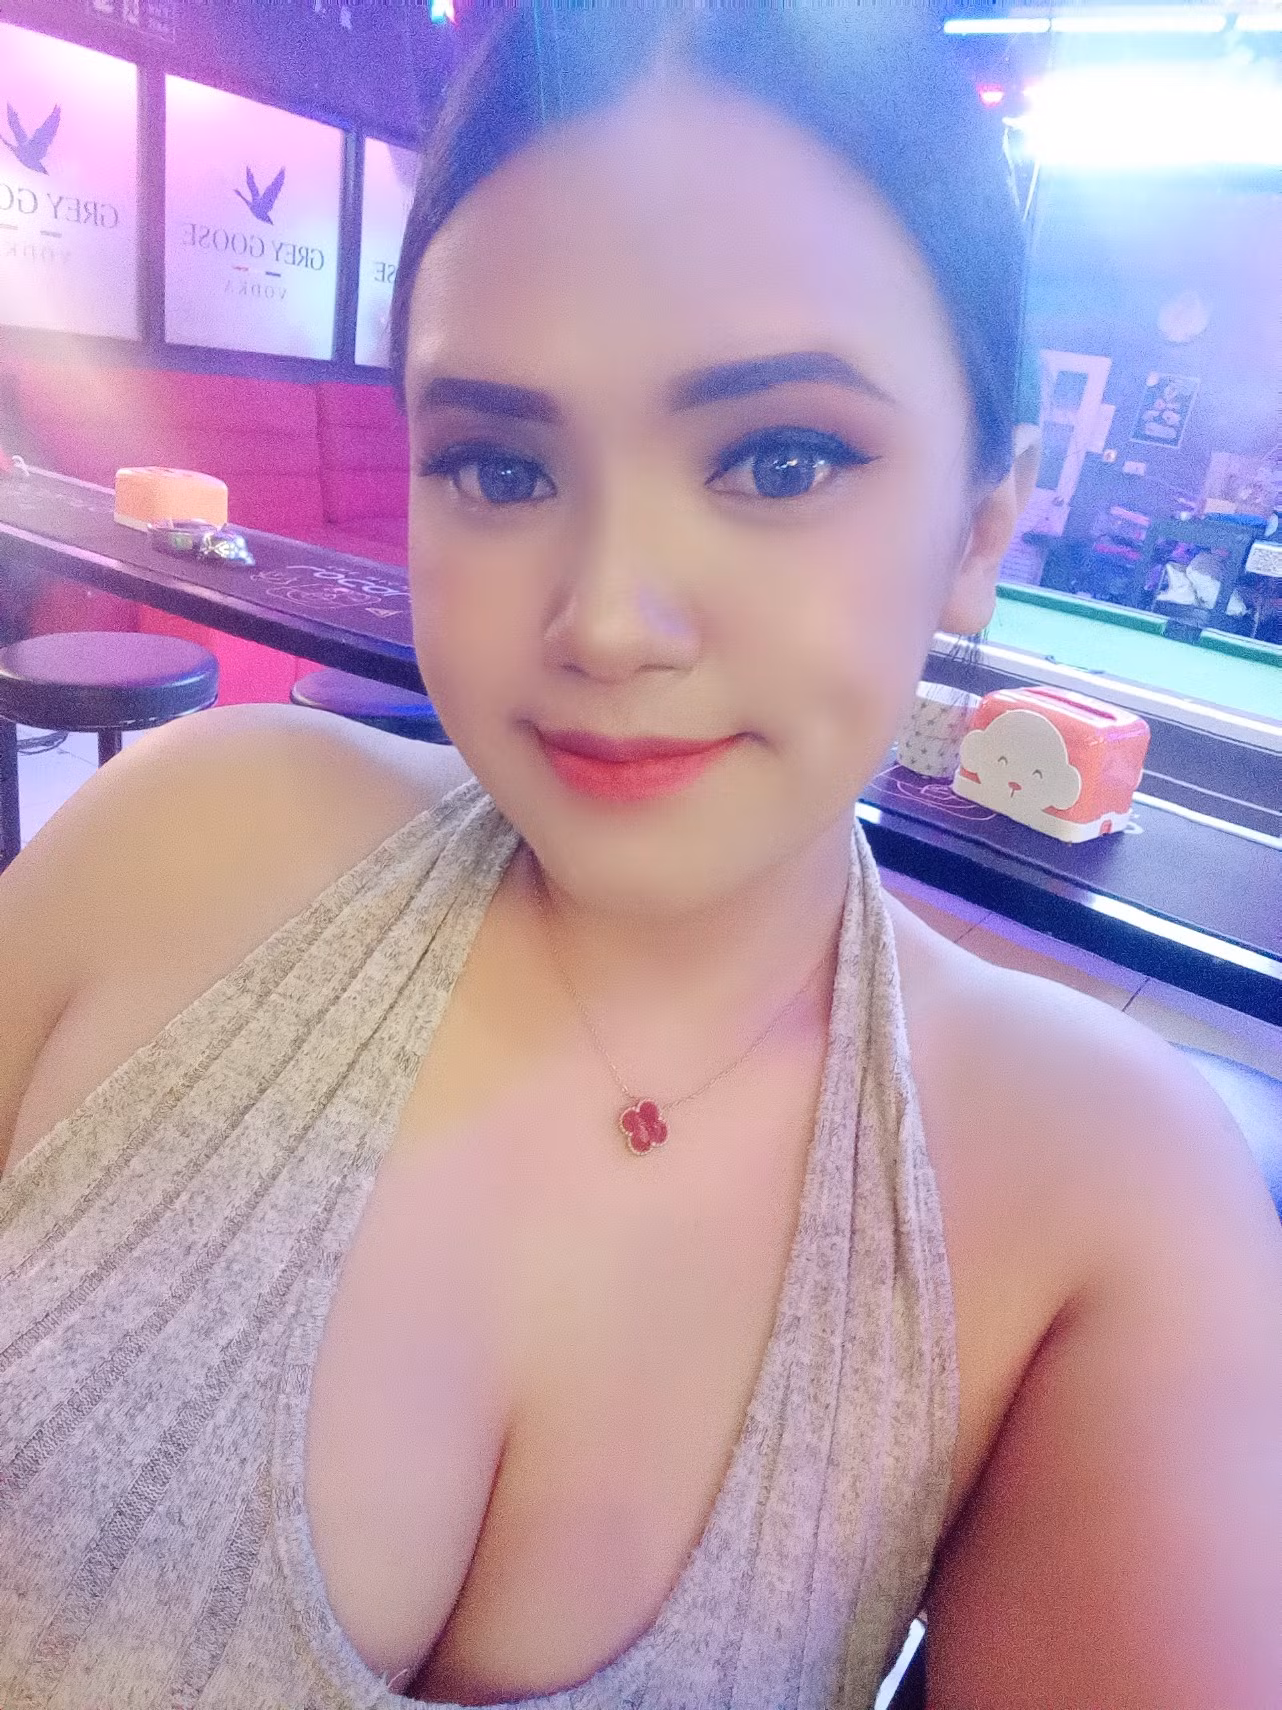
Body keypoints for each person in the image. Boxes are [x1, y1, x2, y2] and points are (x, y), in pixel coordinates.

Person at [2, 9, 1280, 1708]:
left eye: (778, 459)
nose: (606, 619)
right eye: (499, 464)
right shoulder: (179, 842)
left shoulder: (1102, 1186)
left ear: (981, 524)